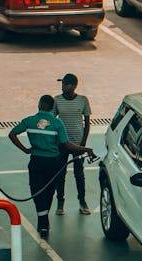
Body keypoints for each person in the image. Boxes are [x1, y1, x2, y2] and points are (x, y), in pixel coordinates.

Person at [8, 95, 95, 238]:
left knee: (37, 191)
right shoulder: (57, 123)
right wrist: (85, 149)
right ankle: (44, 221)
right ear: (51, 107)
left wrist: (25, 150)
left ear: (39, 104)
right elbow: (66, 145)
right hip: (53, 163)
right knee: (48, 192)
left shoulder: (29, 121)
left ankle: (43, 222)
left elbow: (12, 134)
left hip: (36, 161)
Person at [52, 73, 92, 216]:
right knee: (60, 174)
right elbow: (52, 121)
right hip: (62, 144)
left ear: (74, 86)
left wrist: (83, 144)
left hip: (78, 143)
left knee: (79, 174)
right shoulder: (56, 100)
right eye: (62, 84)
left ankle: (82, 201)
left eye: (66, 84)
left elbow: (87, 124)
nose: (63, 86)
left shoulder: (83, 100)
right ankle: (60, 203)